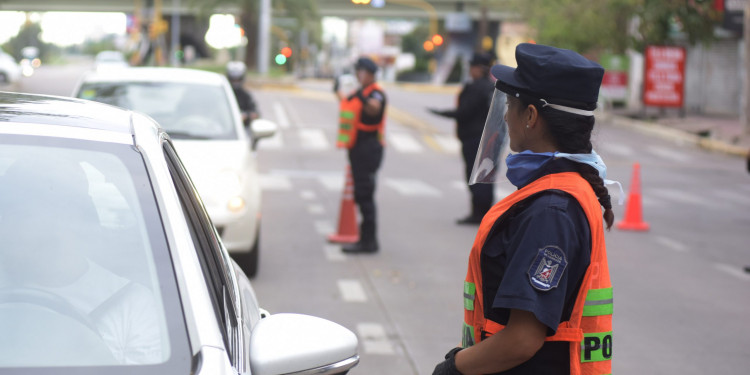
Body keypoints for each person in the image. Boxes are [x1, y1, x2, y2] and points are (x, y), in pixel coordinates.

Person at [432, 43, 616, 374]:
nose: (504, 115)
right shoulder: (565, 188)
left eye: (511, 105)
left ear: (531, 116)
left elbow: (522, 339)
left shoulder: (551, 209)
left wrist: (453, 368)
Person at [429, 52, 496, 225]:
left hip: (475, 138)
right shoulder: (492, 87)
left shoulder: (476, 88)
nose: (470, 70)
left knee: (476, 178)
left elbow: (464, 112)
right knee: (485, 177)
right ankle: (483, 214)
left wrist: (441, 112)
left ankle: (479, 215)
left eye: (472, 67)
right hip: (489, 138)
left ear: (478, 69)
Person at [334, 57, 387, 253]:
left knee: (365, 195)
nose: (357, 75)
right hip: (357, 149)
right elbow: (347, 102)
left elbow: (374, 109)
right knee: (360, 194)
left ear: (368, 73)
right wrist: (336, 90)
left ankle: (369, 242)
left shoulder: (376, 93)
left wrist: (361, 96)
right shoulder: (362, 92)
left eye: (360, 71)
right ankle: (365, 239)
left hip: (368, 149)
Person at [226, 61, 259, 126]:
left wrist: (246, 116)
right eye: (233, 79)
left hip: (243, 128)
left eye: (238, 79)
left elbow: (255, 113)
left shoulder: (246, 95)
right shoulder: (223, 95)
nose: (235, 82)